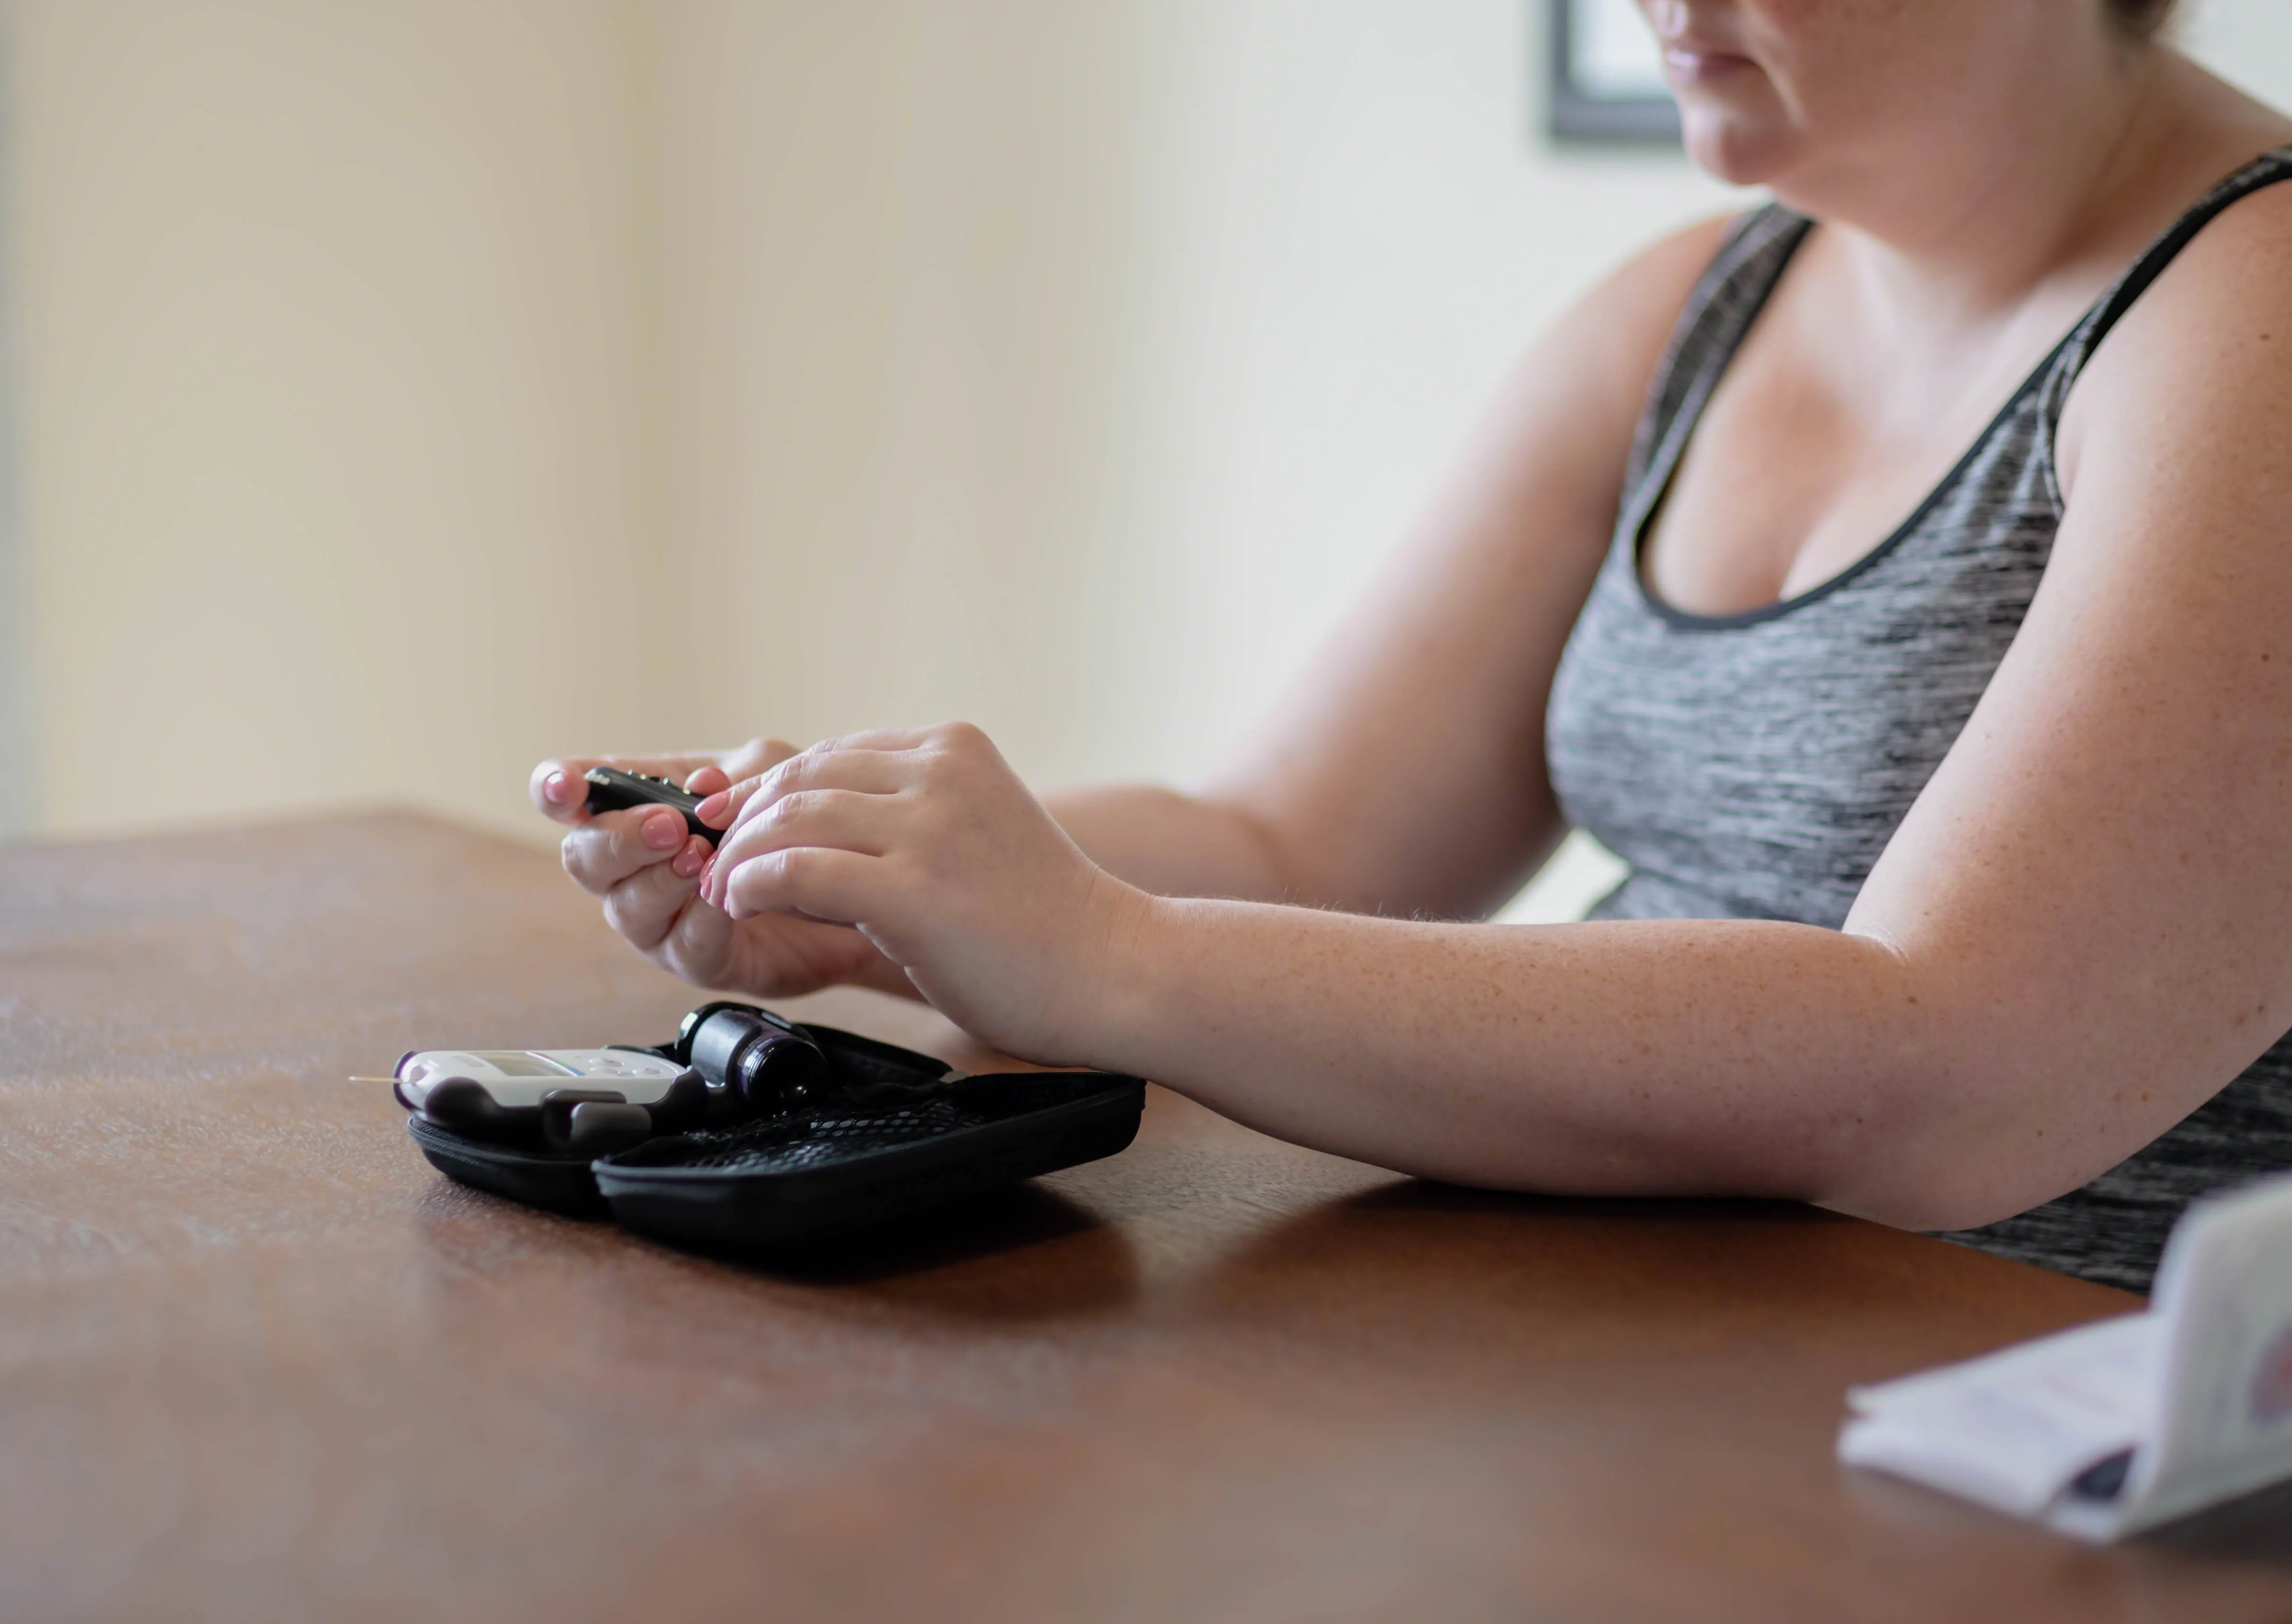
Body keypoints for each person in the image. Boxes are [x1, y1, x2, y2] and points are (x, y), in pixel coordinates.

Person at [533, 0, 2292, 1293]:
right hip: (1631, 1372)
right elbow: (1301, 841)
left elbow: (1951, 1071)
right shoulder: (1698, 309)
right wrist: (874, 881)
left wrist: (1108, 955)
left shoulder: (2253, 316)